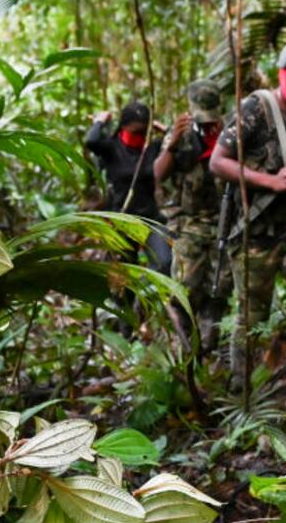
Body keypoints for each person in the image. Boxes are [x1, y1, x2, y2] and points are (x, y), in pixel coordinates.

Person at [209, 38, 286, 420]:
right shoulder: (257, 108)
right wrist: (269, 180)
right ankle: (243, 397)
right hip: (255, 234)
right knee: (251, 318)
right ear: (284, 75)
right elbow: (218, 161)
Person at [154, 79, 229, 352]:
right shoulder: (182, 135)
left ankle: (209, 347)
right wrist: (172, 144)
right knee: (184, 290)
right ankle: (182, 349)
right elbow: (158, 173)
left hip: (225, 225)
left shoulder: (229, 131)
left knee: (219, 288)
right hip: (191, 224)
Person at [85, 101, 172, 273]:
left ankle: (146, 298)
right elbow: (91, 141)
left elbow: (178, 142)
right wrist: (100, 121)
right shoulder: (111, 147)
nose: (140, 135)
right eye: (136, 131)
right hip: (121, 219)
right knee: (124, 274)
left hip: (150, 218)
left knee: (164, 263)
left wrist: (162, 128)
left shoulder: (153, 147)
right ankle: (128, 299)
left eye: (144, 131)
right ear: (124, 127)